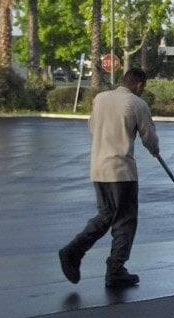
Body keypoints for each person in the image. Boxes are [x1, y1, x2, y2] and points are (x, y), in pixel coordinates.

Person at [59, 67, 160, 288]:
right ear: (140, 85)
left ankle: (73, 251)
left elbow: (93, 127)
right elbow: (149, 136)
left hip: (98, 168)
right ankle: (115, 270)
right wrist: (155, 150)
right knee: (125, 220)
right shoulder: (137, 103)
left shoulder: (101, 99)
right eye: (144, 88)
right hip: (121, 171)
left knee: (106, 216)